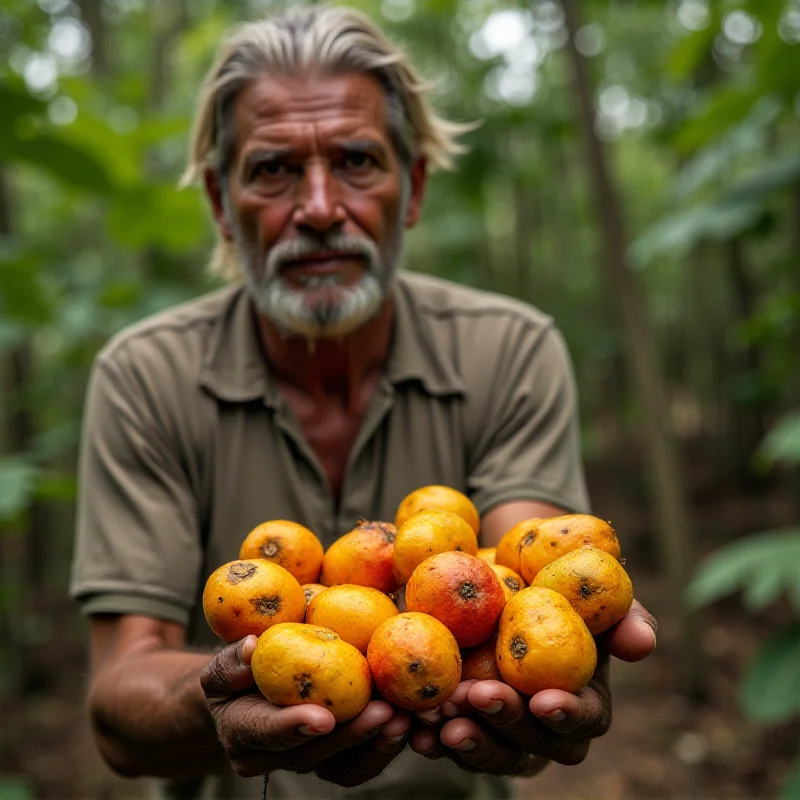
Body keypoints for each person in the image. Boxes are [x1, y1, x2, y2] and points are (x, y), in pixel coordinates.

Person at [69, 6, 657, 800]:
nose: (318, 208)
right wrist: (225, 699)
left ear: (410, 188)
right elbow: (118, 702)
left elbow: (528, 582)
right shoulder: (143, 377)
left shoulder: (510, 350)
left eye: (355, 160)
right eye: (273, 168)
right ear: (219, 199)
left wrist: (539, 699)